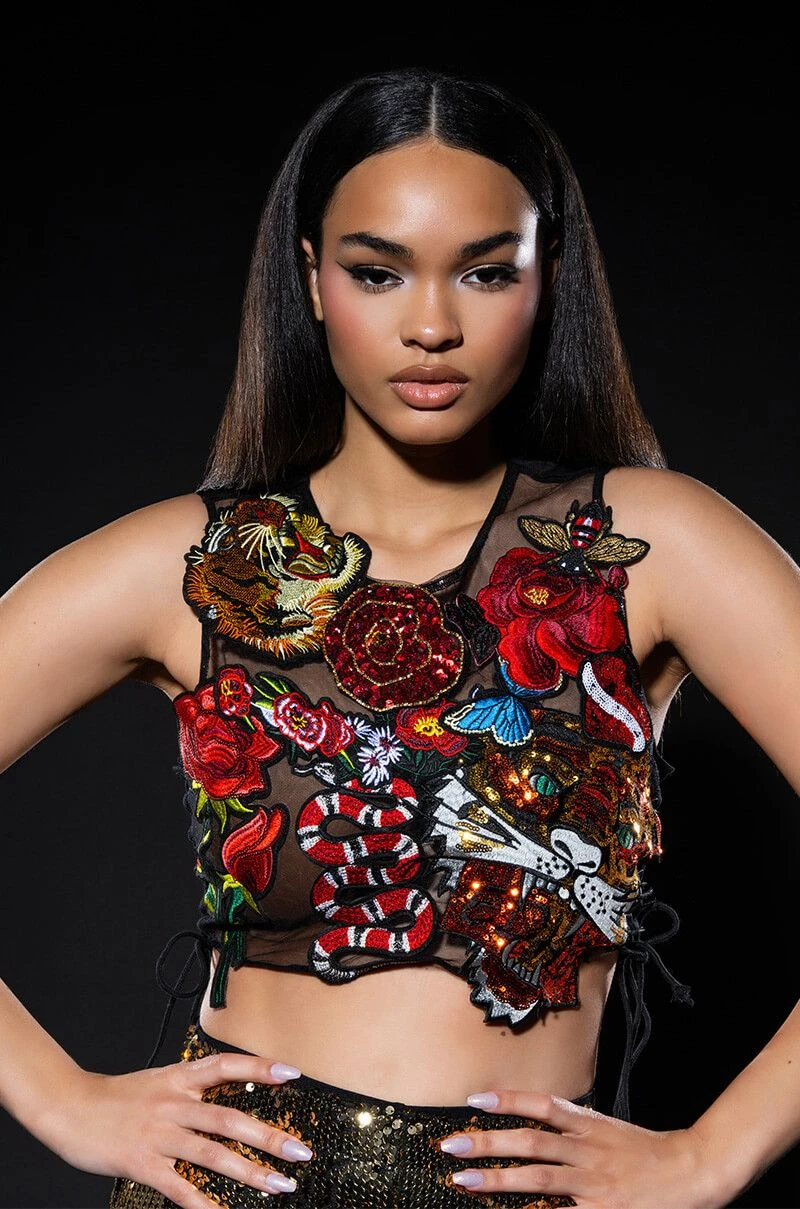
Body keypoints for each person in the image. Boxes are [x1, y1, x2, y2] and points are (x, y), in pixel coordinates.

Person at [1, 65, 798, 1209]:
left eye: (485, 271)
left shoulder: (647, 548)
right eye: (377, 272)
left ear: (547, 279)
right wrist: (62, 1102)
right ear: (311, 279)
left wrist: (709, 1156)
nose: (430, 326)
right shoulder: (194, 564)